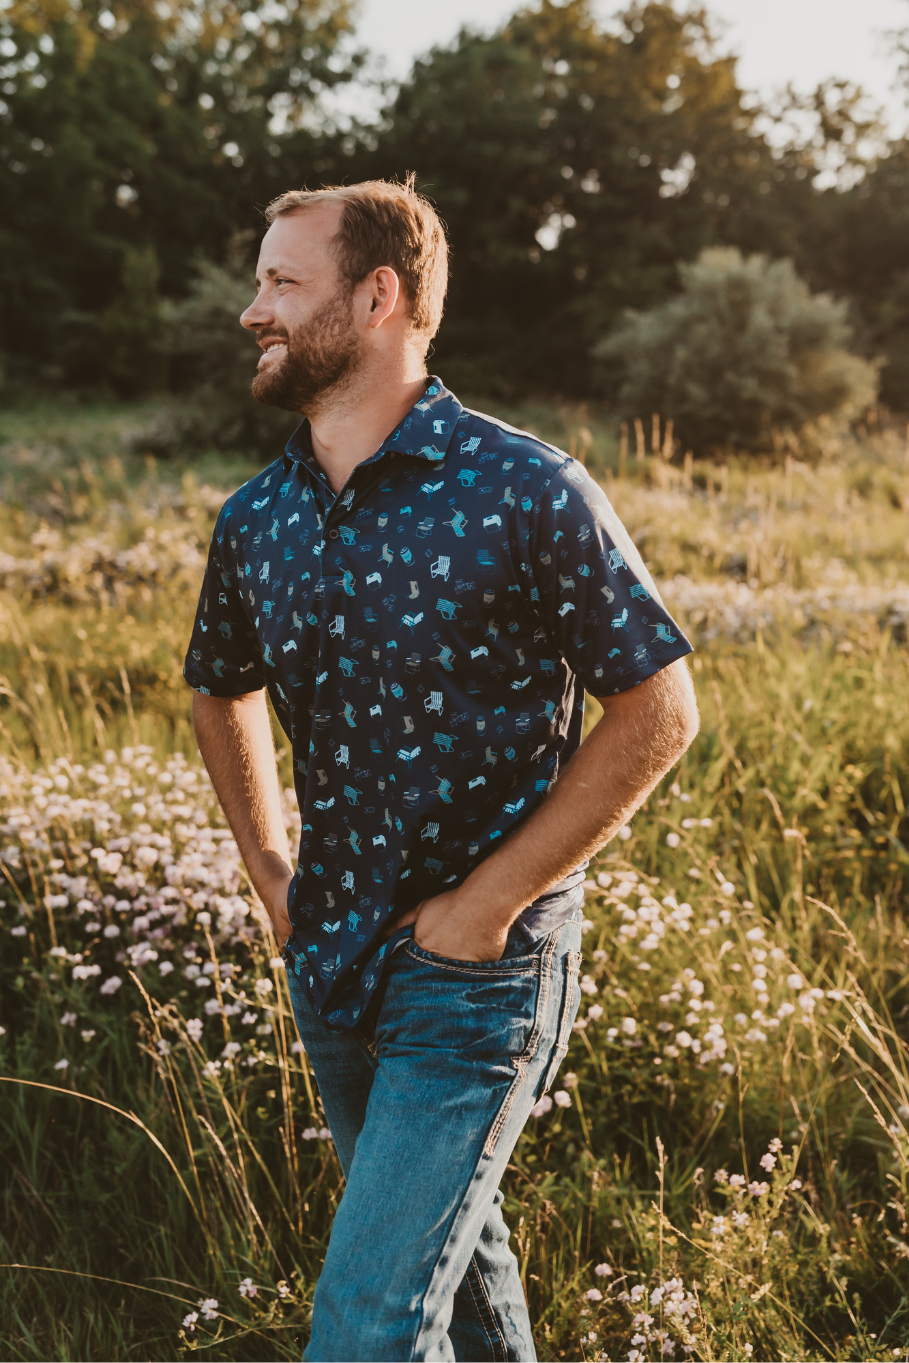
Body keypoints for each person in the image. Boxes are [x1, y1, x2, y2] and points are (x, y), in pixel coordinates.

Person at [184, 177, 699, 1362]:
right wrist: (271, 870)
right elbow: (220, 685)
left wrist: (485, 907)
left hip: (477, 974)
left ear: (379, 297)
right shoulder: (256, 516)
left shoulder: (525, 487)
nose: (251, 310)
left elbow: (659, 703)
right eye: (258, 280)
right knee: (457, 1280)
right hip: (332, 951)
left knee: (364, 1321)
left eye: (280, 282)